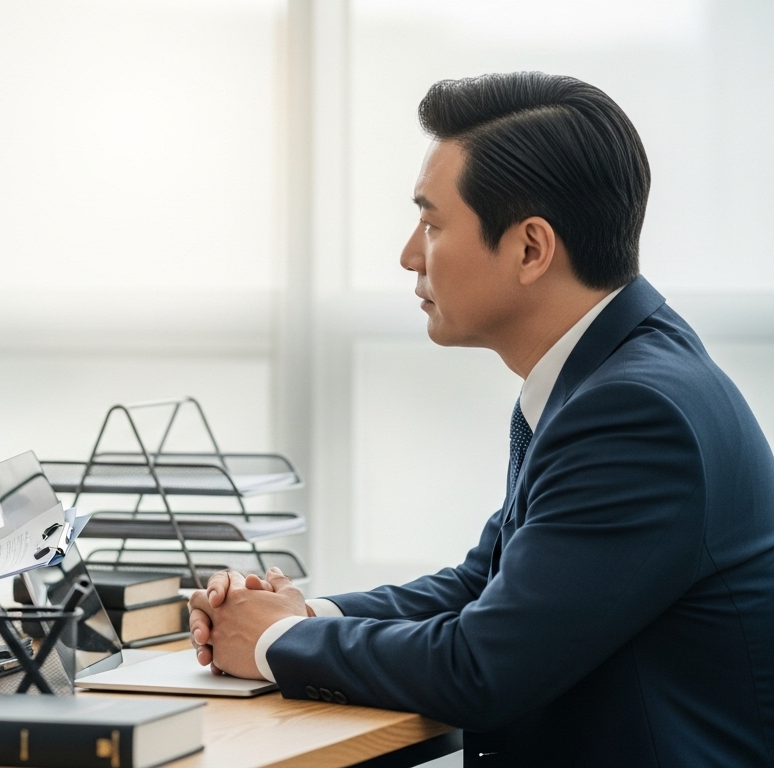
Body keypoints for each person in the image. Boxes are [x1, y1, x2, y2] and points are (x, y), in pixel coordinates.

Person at [188, 72, 774, 765]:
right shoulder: (609, 374)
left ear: (530, 248)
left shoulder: (633, 414)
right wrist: (306, 615)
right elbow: (485, 586)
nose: (410, 255)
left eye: (432, 224)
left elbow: (481, 666)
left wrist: (270, 642)